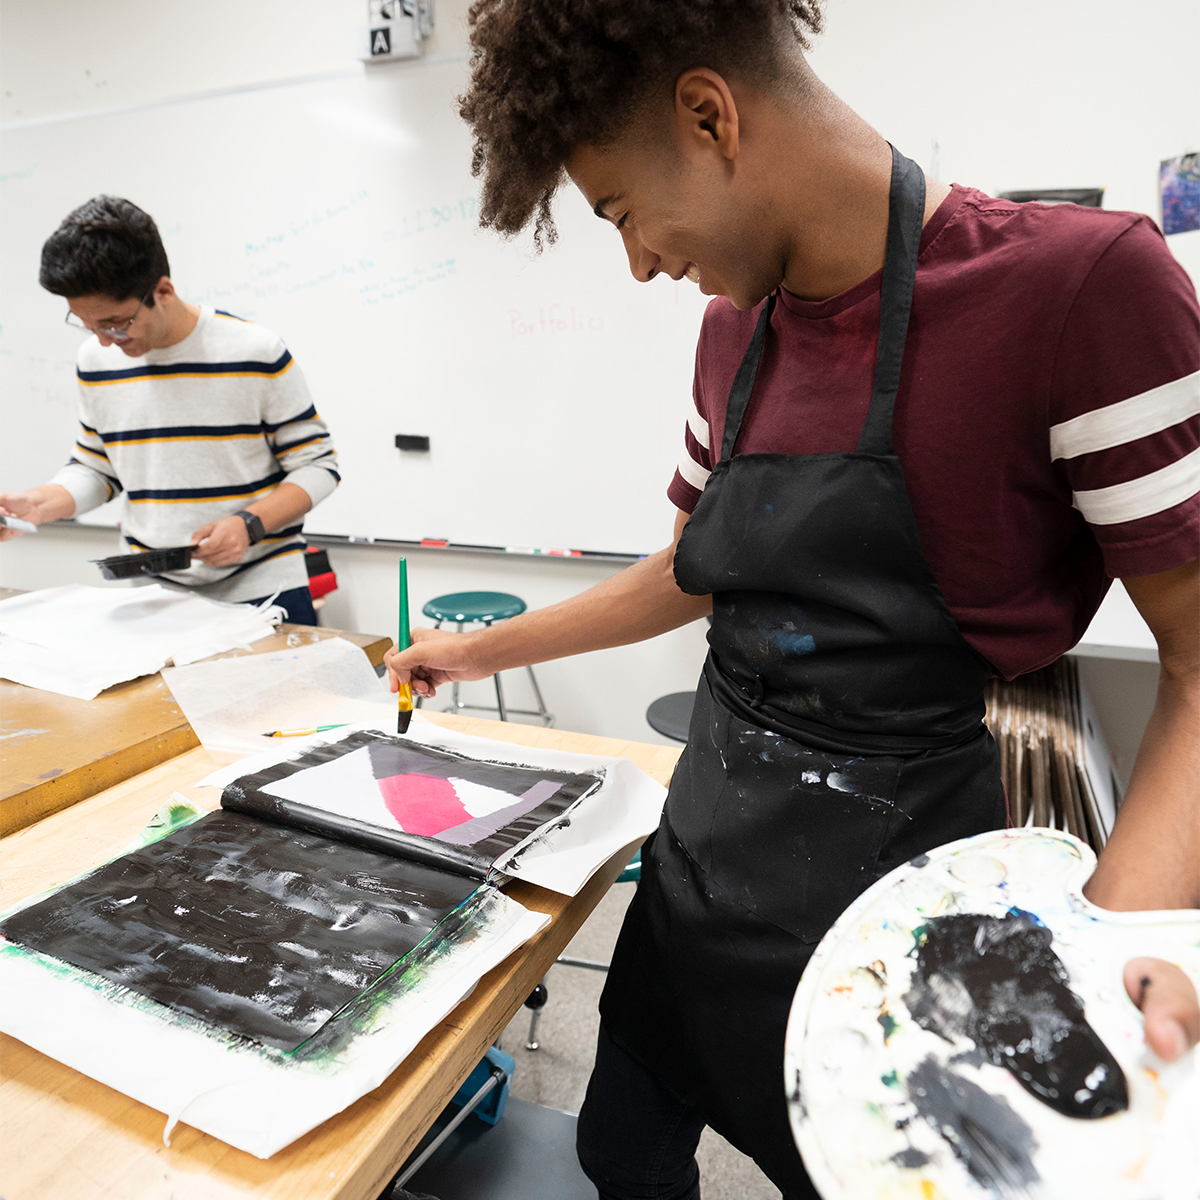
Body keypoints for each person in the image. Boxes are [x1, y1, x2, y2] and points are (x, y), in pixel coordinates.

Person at [385, 2, 1200, 1195]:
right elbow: (688, 569)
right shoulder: (734, 335)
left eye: (621, 213)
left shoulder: (1081, 291)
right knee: (622, 1153)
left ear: (710, 115)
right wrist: (483, 649)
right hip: (701, 875)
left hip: (905, 902)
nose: (642, 262)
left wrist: (1126, 934)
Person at [0, 196, 339, 625]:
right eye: (87, 325)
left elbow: (318, 466)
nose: (105, 340)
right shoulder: (96, 361)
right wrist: (37, 504)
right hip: (151, 596)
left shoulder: (254, 351)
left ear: (163, 291)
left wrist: (249, 525)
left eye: (115, 323)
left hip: (263, 591)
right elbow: (99, 468)